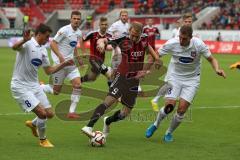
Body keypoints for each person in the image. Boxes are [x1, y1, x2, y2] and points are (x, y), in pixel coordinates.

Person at [145, 25, 226, 142]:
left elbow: (212, 59)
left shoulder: (198, 44)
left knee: (181, 110)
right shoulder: (172, 43)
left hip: (192, 80)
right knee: (169, 106)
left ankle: (169, 133)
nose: (181, 40)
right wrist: (149, 67)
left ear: (191, 37)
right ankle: (155, 125)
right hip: (174, 78)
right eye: (180, 37)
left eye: (184, 38)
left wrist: (217, 69)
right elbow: (154, 55)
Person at [81, 22, 161, 139]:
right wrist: (102, 44)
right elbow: (104, 40)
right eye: (132, 35)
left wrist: (151, 65)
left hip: (134, 81)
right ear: (129, 31)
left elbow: (152, 53)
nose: (133, 38)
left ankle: (108, 121)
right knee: (109, 101)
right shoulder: (123, 39)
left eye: (136, 36)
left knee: (125, 113)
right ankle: (89, 126)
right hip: (122, 76)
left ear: (140, 34)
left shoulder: (144, 39)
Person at [10, 24, 74, 147]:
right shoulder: (28, 44)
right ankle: (43, 140)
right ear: (39, 34)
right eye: (47, 36)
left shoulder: (43, 50)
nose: (48, 39)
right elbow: (14, 47)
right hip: (20, 87)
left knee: (49, 114)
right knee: (42, 113)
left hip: (34, 86)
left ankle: (33, 124)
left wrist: (64, 64)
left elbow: (48, 70)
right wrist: (24, 39)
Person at [40, 11, 83, 119]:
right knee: (56, 91)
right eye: (74, 18)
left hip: (71, 64)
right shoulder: (64, 30)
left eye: (78, 19)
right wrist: (60, 57)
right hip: (60, 64)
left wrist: (78, 59)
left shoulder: (79, 33)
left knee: (78, 85)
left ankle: (71, 112)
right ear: (71, 19)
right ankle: (41, 87)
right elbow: (53, 43)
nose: (76, 20)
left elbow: (74, 47)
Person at [151, 13, 195, 111]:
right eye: (186, 21)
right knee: (169, 83)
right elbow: (173, 45)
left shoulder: (189, 32)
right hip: (176, 64)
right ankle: (156, 99)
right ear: (183, 22)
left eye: (190, 22)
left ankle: (158, 99)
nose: (188, 23)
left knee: (169, 83)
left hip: (182, 64)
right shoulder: (179, 32)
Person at [80, 17, 112, 83]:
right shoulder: (93, 34)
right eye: (102, 24)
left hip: (101, 60)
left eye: (106, 25)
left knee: (92, 78)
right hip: (93, 59)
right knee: (109, 75)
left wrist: (106, 47)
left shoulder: (109, 35)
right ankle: (112, 93)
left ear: (107, 25)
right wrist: (83, 52)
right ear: (99, 25)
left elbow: (112, 45)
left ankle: (79, 80)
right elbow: (81, 40)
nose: (104, 26)